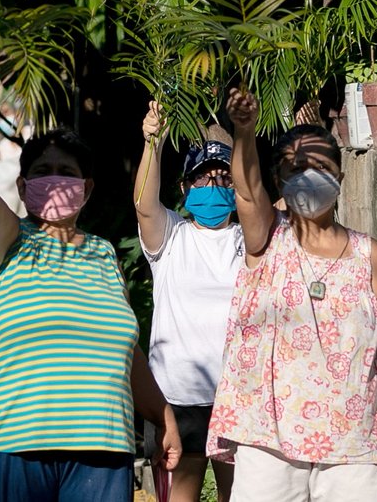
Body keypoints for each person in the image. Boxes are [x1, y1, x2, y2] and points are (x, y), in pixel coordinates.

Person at [0, 97, 181, 502]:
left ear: (87, 188)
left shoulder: (103, 254)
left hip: (104, 449)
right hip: (12, 445)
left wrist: (163, 416)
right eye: (43, 172)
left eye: (67, 173)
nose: (55, 181)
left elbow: (126, 351)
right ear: (23, 187)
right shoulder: (8, 241)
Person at [207, 88, 377, 501]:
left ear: (339, 178)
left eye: (321, 165)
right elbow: (247, 194)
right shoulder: (266, 239)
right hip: (268, 437)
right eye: (296, 167)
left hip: (354, 440)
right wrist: (244, 133)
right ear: (278, 180)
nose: (309, 174)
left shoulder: (367, 253)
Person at [134, 101, 239, 501]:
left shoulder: (250, 241)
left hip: (236, 394)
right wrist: (152, 143)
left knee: (239, 493)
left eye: (223, 178)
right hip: (177, 397)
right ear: (183, 188)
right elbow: (144, 204)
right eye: (201, 178)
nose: (212, 186)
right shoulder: (171, 236)